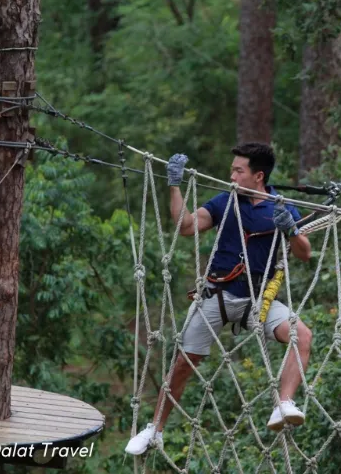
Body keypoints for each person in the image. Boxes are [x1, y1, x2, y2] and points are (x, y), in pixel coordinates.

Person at [125, 142, 313, 456]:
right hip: (218, 295)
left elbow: (304, 253)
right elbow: (185, 226)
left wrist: (291, 229)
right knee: (184, 364)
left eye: (239, 170)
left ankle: (284, 404)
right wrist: (174, 185)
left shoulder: (281, 207)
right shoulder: (225, 202)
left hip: (259, 301)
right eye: (232, 169)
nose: (232, 175)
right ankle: (154, 430)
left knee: (301, 335)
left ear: (258, 176)